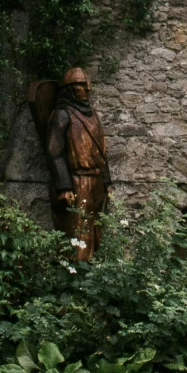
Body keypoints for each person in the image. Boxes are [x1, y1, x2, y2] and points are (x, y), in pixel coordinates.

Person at [43, 66, 109, 260]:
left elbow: (102, 150)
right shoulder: (63, 115)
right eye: (81, 85)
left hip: (96, 182)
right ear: (69, 89)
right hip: (77, 182)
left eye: (86, 84)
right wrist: (64, 186)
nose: (87, 88)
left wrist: (107, 181)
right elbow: (54, 152)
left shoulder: (92, 115)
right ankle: (76, 275)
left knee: (97, 231)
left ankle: (93, 274)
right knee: (79, 231)